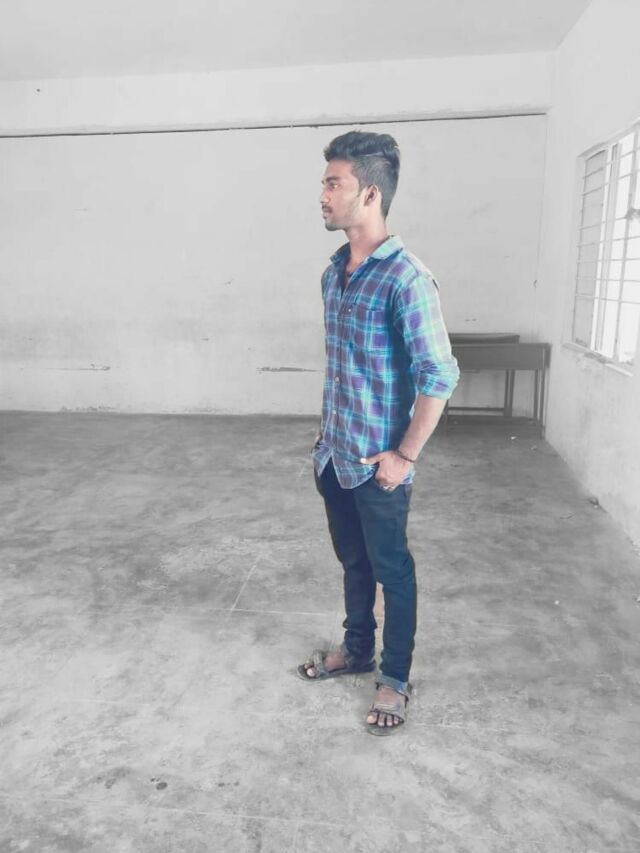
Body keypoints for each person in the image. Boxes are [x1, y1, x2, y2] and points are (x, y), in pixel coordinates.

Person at [296, 130, 460, 735]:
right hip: (335, 457)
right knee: (353, 561)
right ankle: (357, 648)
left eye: (332, 183)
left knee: (393, 570)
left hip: (379, 465)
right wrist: (325, 442)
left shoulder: (406, 279)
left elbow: (439, 375)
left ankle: (394, 677)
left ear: (368, 194)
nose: (322, 194)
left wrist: (404, 456)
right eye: (323, 183)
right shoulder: (334, 274)